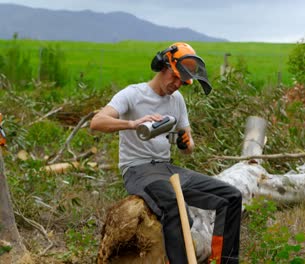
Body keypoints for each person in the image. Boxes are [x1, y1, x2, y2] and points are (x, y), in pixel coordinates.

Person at [90, 42, 242, 264]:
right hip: (138, 170)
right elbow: (97, 122)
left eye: (183, 82)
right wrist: (134, 124)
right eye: (175, 77)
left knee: (230, 197)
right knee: (175, 208)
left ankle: (225, 262)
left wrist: (185, 143)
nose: (177, 84)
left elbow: (189, 147)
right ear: (163, 66)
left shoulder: (177, 100)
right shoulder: (133, 94)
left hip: (167, 168)